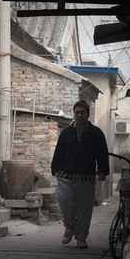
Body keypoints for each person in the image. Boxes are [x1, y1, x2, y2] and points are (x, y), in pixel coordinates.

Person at [50, 100, 110, 248]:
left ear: (88, 114)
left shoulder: (96, 133)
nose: (79, 115)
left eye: (82, 113)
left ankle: (81, 235)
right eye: (77, 112)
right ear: (74, 114)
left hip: (87, 175)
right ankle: (70, 226)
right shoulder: (66, 133)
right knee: (63, 199)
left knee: (85, 207)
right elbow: (59, 152)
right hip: (66, 175)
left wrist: (102, 171)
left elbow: (102, 154)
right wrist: (55, 168)